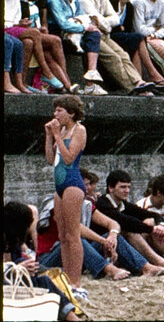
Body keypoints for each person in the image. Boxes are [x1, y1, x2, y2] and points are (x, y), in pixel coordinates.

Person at [44, 94, 89, 301]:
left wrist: (58, 137)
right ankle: (66, 278)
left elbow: (70, 157)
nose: (56, 114)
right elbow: (51, 159)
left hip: (72, 183)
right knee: (62, 236)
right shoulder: (60, 130)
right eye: (55, 110)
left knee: (73, 235)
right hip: (59, 185)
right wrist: (49, 137)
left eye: (59, 110)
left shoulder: (79, 130)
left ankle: (76, 282)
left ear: (71, 112)